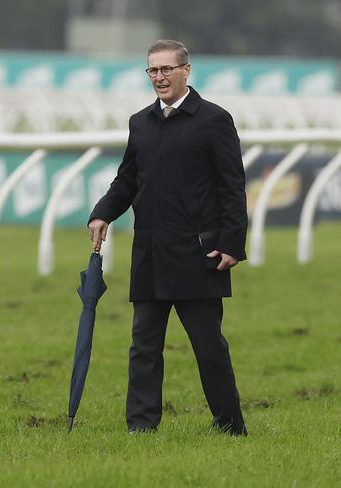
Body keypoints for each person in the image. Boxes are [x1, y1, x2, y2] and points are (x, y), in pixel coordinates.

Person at [88, 40, 248, 435]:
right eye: (152, 71)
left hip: (200, 254)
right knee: (143, 347)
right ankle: (141, 426)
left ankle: (229, 425)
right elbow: (128, 179)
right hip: (150, 253)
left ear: (186, 71)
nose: (159, 77)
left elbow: (232, 186)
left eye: (166, 70)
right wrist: (103, 212)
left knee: (209, 348)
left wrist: (232, 244)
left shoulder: (214, 119)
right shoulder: (139, 122)